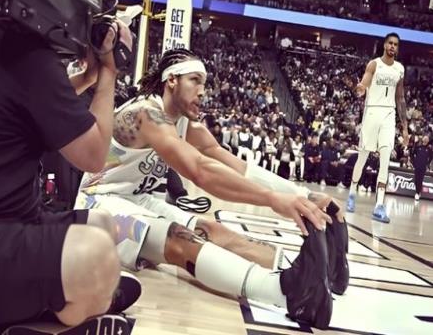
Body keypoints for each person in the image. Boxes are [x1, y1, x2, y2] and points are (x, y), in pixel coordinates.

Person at [76, 48, 349, 330]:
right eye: (195, 80)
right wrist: (272, 199)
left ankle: (312, 274)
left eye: (204, 83)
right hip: (96, 203)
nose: (203, 91)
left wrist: (302, 195)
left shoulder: (186, 124)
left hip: (135, 198)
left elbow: (235, 165)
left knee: (211, 228)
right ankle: (287, 292)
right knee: (179, 239)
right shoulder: (146, 113)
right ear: (172, 80)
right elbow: (200, 170)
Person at [0, 13, 140, 330]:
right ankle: (58, 313)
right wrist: (109, 73)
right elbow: (94, 155)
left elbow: (33, 97)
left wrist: (88, 77)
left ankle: (58, 299)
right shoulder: (31, 56)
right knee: (97, 255)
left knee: (103, 225)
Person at [345, 33, 409, 223]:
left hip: (389, 115)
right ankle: (352, 192)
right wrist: (360, 88)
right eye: (390, 43)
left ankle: (379, 205)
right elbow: (365, 81)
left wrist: (405, 127)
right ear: (384, 45)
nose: (392, 46)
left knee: (385, 158)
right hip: (372, 113)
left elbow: (400, 98)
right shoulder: (374, 64)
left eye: (395, 44)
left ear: (397, 48)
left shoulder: (399, 69)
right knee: (363, 157)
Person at [411, 135, 433, 201]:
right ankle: (418, 191)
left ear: (428, 141)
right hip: (417, 166)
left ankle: (417, 193)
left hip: (423, 167)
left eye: (427, 139)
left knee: (420, 180)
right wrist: (414, 162)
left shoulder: (429, 149)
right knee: (416, 180)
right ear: (423, 139)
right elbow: (412, 154)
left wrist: (427, 163)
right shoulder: (418, 147)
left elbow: (431, 157)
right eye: (425, 138)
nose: (425, 139)